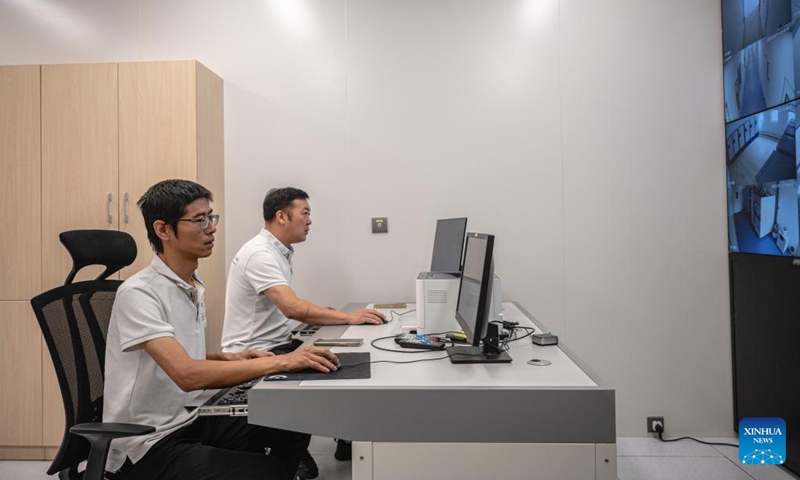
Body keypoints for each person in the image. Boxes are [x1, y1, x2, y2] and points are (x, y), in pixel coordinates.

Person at [103, 179, 339, 480]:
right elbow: (186, 374)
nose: (211, 227)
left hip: (190, 418)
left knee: (291, 419)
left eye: (210, 217)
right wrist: (284, 361)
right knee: (265, 472)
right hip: (148, 441)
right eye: (199, 220)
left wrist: (232, 358)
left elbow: (184, 356)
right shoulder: (139, 293)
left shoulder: (189, 286)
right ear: (163, 230)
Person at [221, 187, 385, 463]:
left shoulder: (278, 251)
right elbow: (293, 307)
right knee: (331, 363)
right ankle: (298, 451)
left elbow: (290, 304)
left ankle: (345, 437)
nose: (309, 221)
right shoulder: (259, 254)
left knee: (341, 359)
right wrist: (348, 317)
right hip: (257, 353)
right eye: (305, 213)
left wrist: (327, 313)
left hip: (278, 343)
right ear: (281, 216)